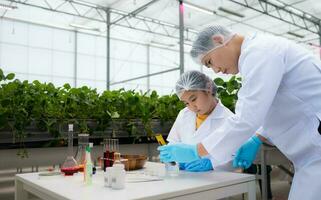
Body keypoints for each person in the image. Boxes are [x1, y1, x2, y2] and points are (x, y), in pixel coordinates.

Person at [158, 25, 321, 200]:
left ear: (219, 40)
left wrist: (197, 150)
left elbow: (247, 117)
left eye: (210, 62)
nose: (215, 70)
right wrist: (257, 137)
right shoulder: (256, 55)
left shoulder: (260, 52)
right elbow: (276, 106)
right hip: (311, 154)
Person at [166, 70, 235, 172]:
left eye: (193, 99)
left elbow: (236, 155)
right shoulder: (184, 114)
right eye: (186, 103)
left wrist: (213, 163)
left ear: (208, 89)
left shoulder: (228, 119)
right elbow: (174, 142)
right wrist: (174, 159)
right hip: (186, 176)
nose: (192, 107)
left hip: (216, 179)